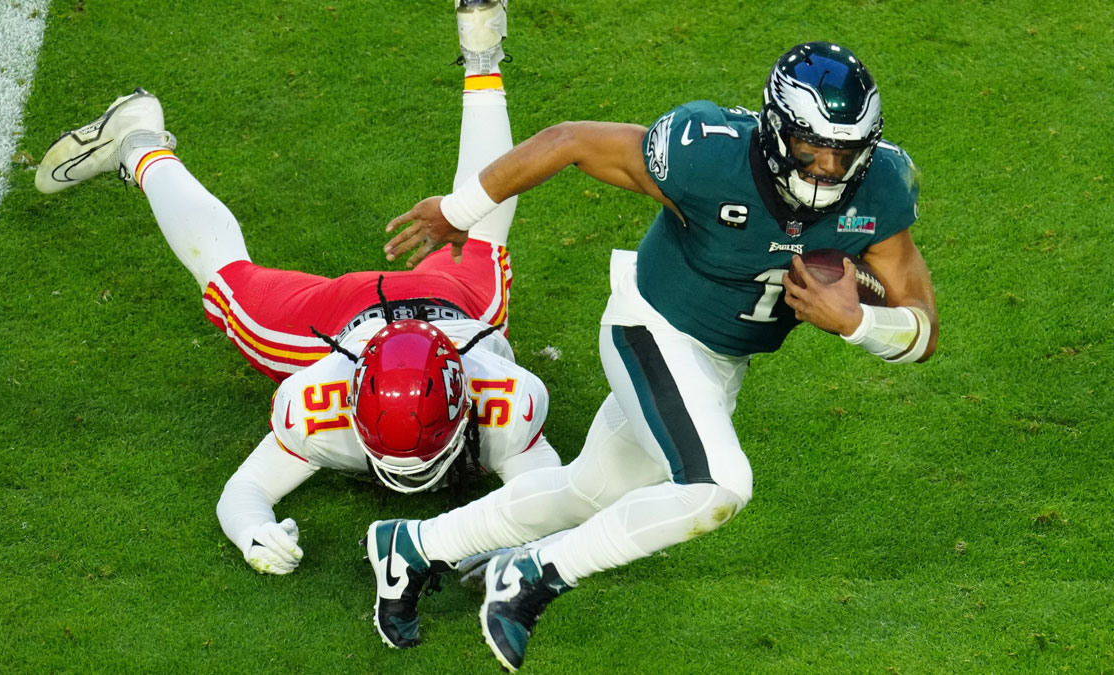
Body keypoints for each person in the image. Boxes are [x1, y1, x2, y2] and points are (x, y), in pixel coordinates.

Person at [368, 36, 939, 672]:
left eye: (844, 153)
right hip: (651, 326)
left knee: (588, 493)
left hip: (720, 362)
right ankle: (534, 574)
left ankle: (413, 545)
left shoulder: (881, 186)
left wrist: (858, 323)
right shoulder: (708, 154)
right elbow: (568, 141)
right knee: (717, 488)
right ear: (778, 132)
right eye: (812, 150)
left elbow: (922, 326)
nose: (828, 171)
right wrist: (457, 211)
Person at [34, 0, 559, 589]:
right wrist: (251, 529)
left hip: (453, 311)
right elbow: (245, 494)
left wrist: (252, 526)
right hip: (363, 319)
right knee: (479, 228)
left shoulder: (497, 399)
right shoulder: (328, 399)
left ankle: (142, 145)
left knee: (233, 274)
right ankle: (136, 143)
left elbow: (554, 503)